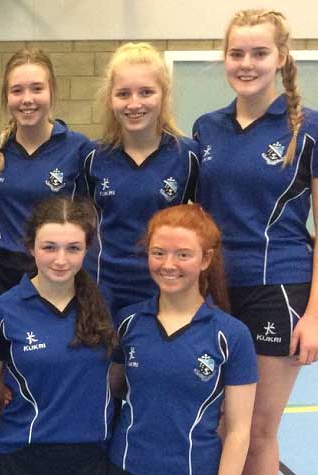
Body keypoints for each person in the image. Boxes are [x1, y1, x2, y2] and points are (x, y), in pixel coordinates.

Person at [189, 9, 318, 475]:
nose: (247, 63)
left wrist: (317, 315)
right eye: (236, 53)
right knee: (216, 422)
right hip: (214, 289)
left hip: (277, 287)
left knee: (256, 430)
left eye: (259, 53)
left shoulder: (314, 130)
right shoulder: (206, 128)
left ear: (281, 58)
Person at [103, 204, 258, 475]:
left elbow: (238, 431)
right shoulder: (128, 323)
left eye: (183, 254)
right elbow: (110, 390)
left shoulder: (231, 335)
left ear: (206, 259)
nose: (168, 264)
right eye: (158, 253)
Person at [0, 196, 113, 475]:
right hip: (21, 462)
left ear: (87, 250)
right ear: (31, 246)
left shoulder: (105, 304)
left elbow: (116, 382)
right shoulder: (4, 310)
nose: (61, 259)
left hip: (87, 465)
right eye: (49, 247)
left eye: (73, 248)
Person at [83, 42, 201, 316]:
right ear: (110, 98)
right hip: (102, 286)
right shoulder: (92, 156)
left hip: (163, 286)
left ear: (163, 94)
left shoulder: (188, 155)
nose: (134, 104)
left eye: (146, 92)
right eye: (123, 94)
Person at [0, 48, 96, 300]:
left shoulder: (77, 147)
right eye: (17, 90)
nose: (27, 99)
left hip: (54, 268)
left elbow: (89, 212)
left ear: (52, 91)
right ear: (6, 96)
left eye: (37, 89)